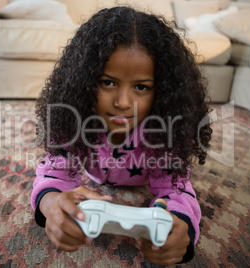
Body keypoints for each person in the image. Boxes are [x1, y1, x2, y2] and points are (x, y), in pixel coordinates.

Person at [30, 6, 212, 265]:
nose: (123, 102)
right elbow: (53, 173)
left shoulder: (165, 132)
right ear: (83, 80)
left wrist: (180, 226)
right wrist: (51, 205)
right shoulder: (72, 122)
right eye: (108, 82)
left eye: (141, 87)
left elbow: (175, 189)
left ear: (162, 91)